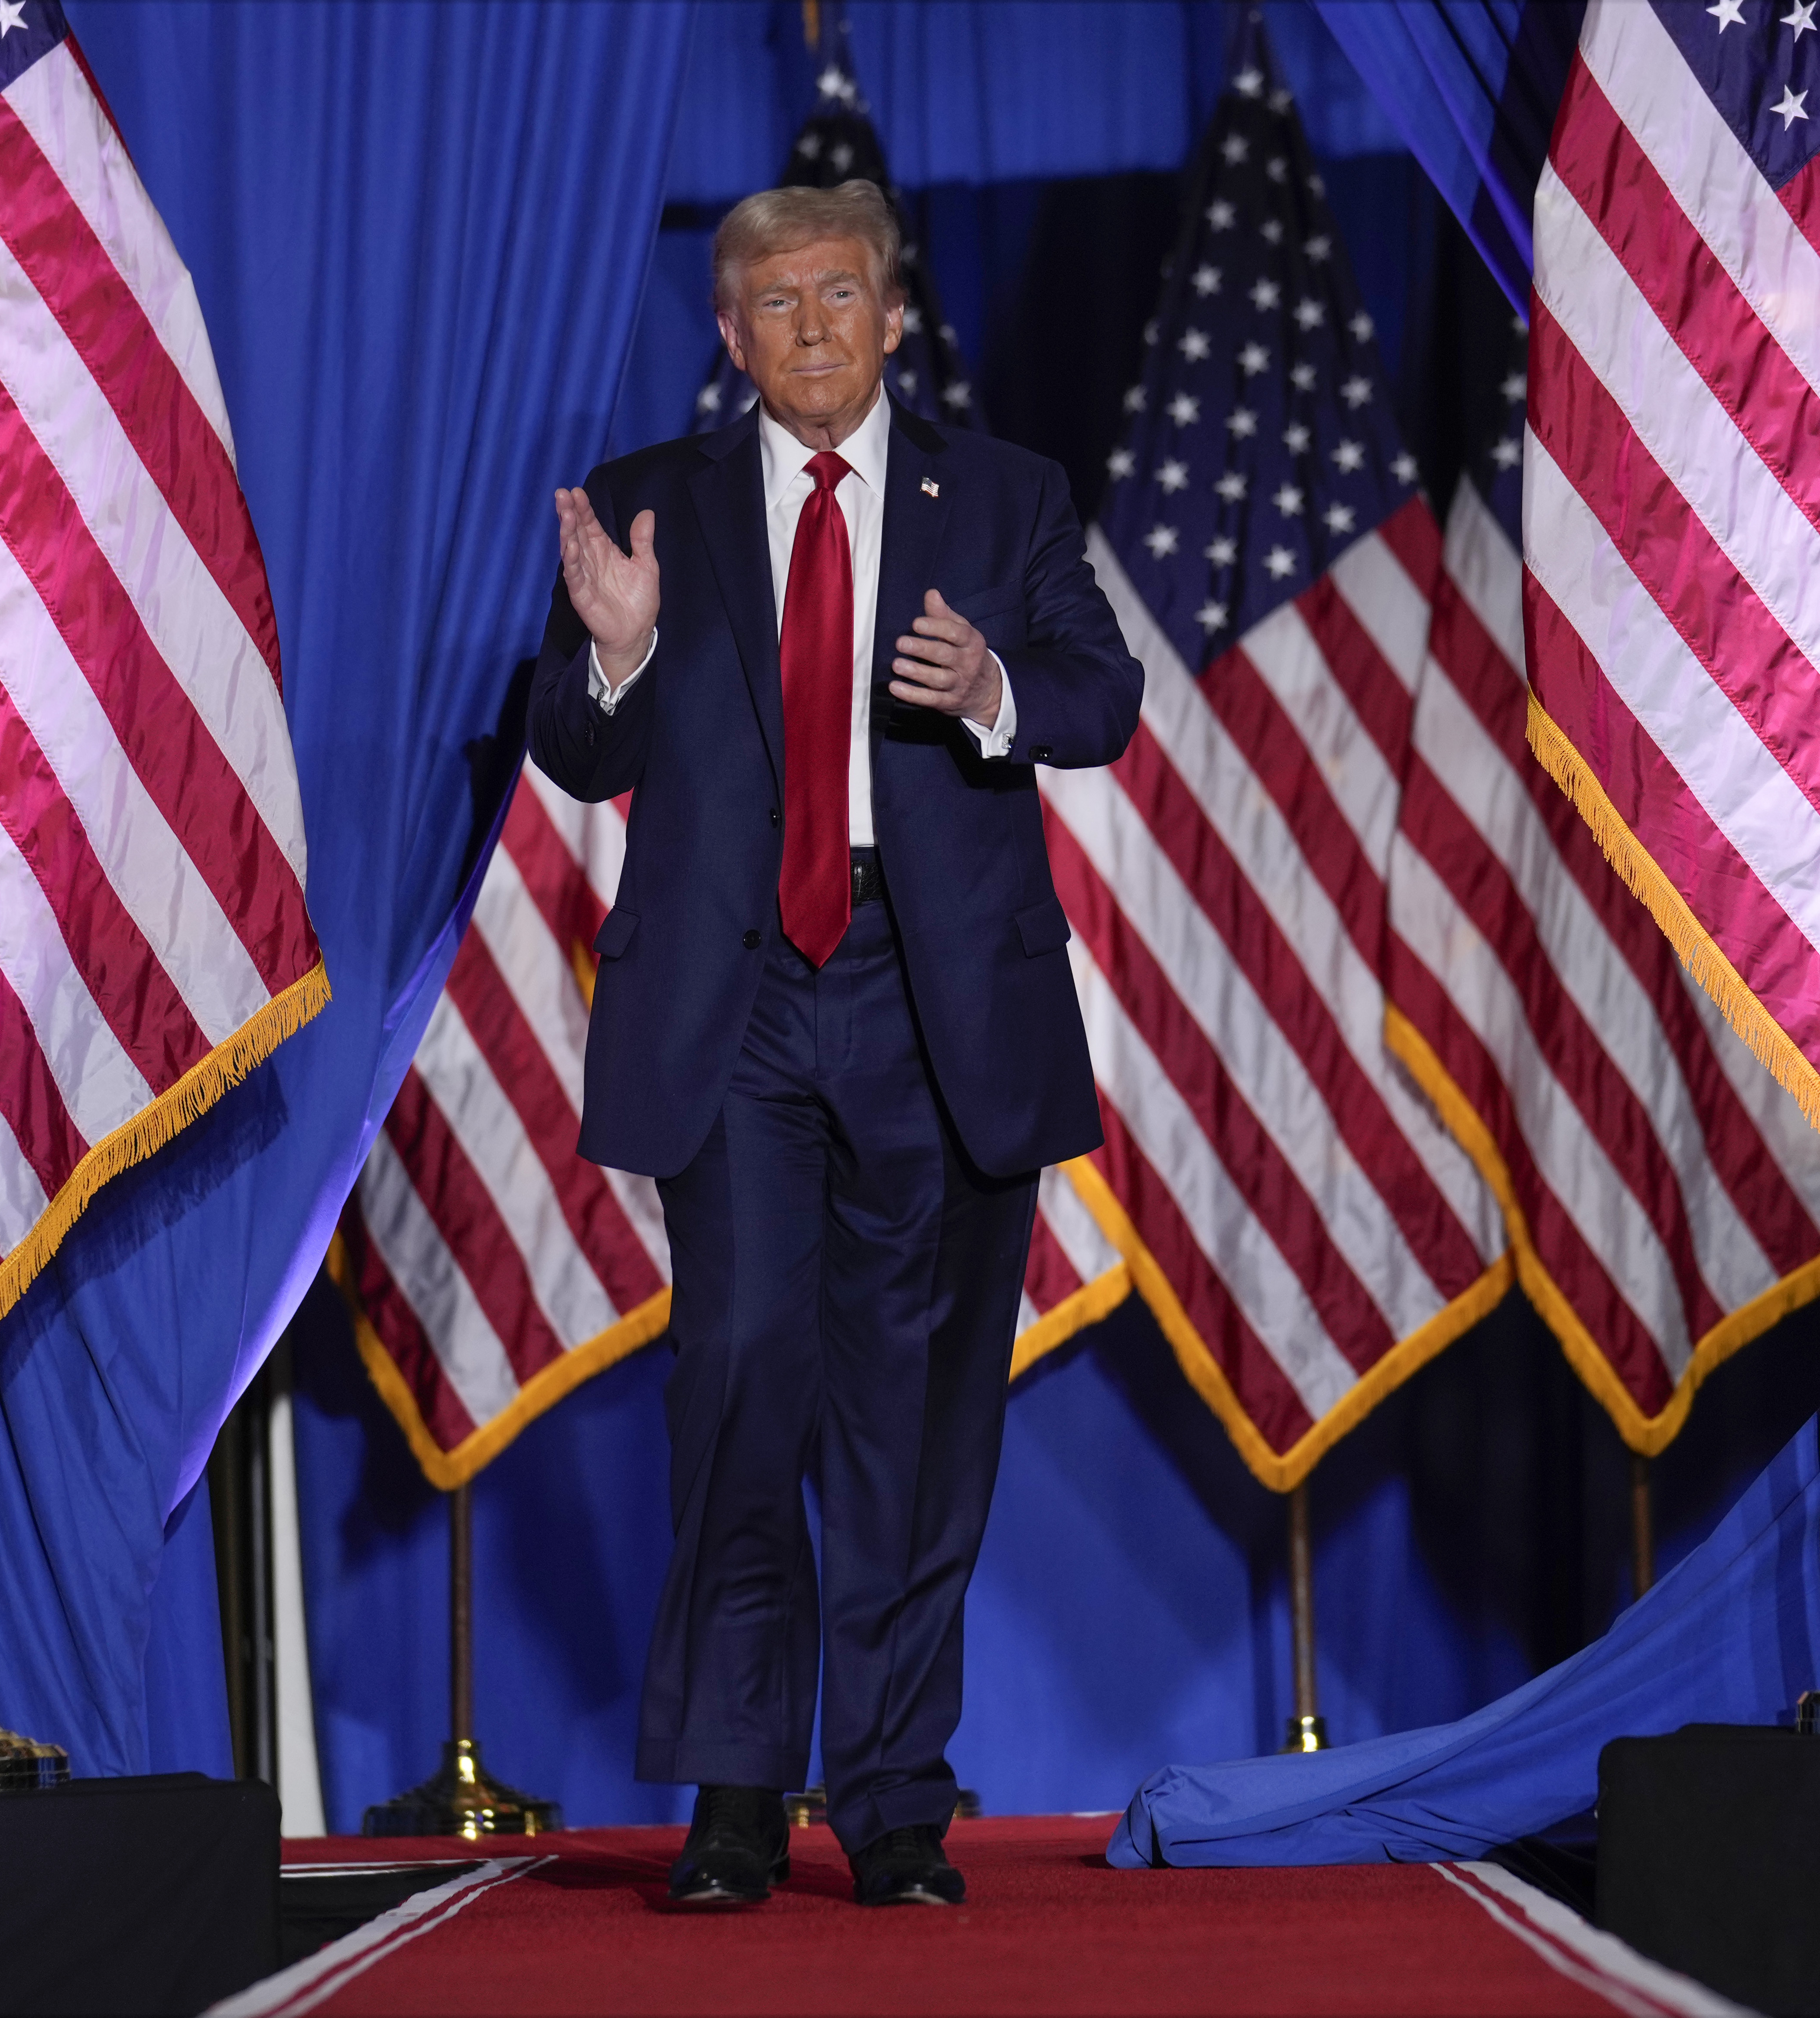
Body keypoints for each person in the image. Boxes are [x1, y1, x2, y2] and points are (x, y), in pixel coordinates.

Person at [532, 180, 1140, 1908]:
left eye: (836, 293)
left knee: (915, 1413)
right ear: (727, 336)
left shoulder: (1000, 496)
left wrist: (997, 693)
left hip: (929, 997)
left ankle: (889, 1803)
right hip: (734, 1005)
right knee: (739, 1378)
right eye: (771, 301)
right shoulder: (652, 504)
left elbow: (1101, 699)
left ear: (890, 317)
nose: (807, 324)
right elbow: (578, 757)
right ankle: (735, 1797)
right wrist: (613, 658)